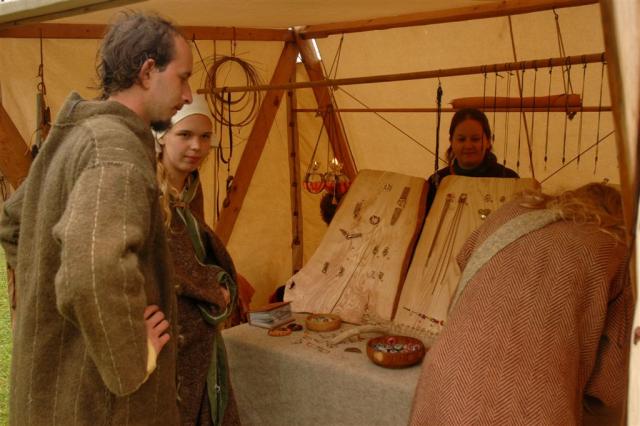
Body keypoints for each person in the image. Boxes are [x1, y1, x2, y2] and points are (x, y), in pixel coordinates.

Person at [0, 12, 192, 425]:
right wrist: (131, 356)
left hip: (55, 398)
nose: (188, 95)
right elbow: (93, 266)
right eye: (182, 78)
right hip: (100, 408)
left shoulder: (76, 136)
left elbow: (13, 224)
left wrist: (49, 305)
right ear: (147, 72)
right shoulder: (114, 150)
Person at [410, 183, 632, 425]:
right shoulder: (615, 247)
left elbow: (465, 258)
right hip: (529, 402)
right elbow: (610, 386)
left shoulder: (512, 211)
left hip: (447, 377)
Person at [155, 94, 241, 425]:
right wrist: (211, 284)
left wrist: (212, 282)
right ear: (162, 137)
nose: (197, 146)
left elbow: (194, 253)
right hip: (166, 330)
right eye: (185, 135)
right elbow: (163, 261)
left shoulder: (190, 186)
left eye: (205, 137)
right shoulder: (147, 191)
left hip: (198, 328)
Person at [426, 108, 519, 213]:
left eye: (475, 139)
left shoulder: (509, 179)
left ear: (488, 141)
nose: (468, 145)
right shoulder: (437, 181)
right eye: (461, 139)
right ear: (451, 141)